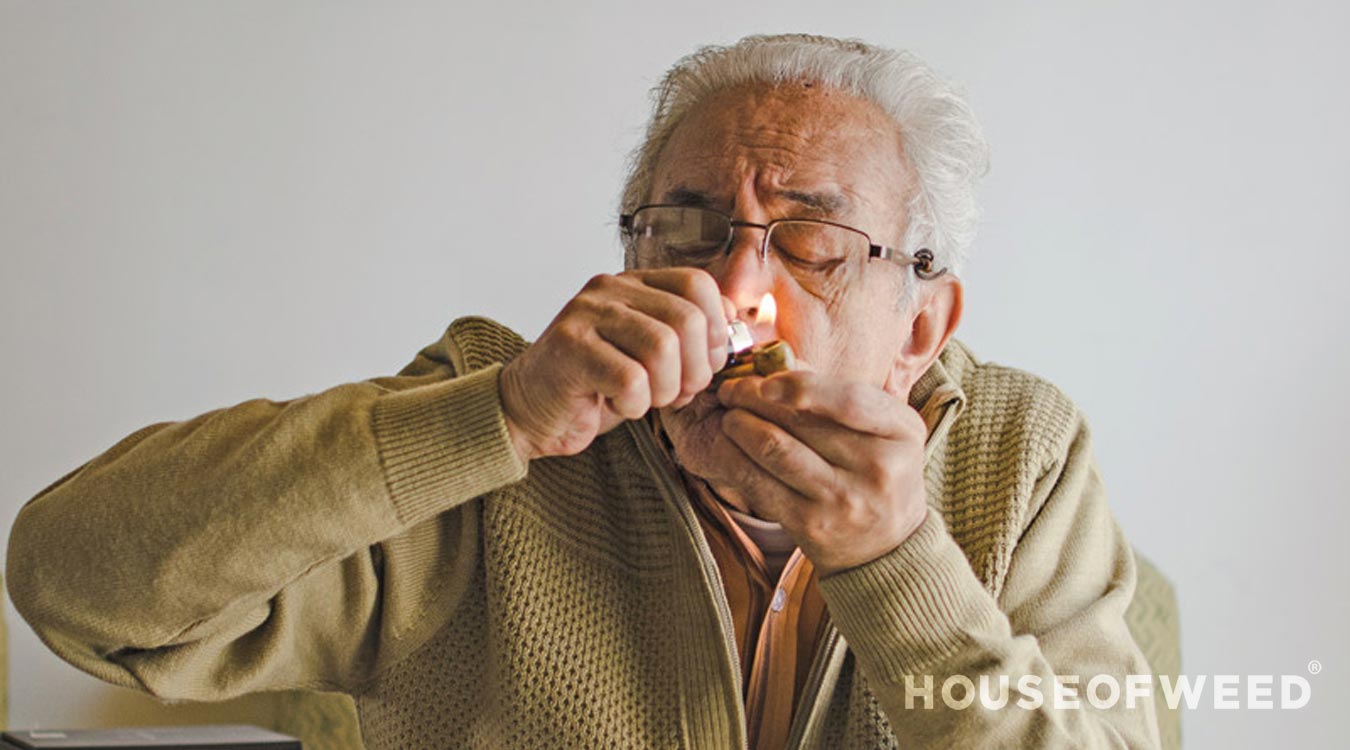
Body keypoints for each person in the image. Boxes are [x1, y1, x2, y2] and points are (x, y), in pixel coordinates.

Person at [7, 34, 1161, 749]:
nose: (737, 288)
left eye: (814, 241)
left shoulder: (1017, 453)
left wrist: (897, 561)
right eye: (688, 228)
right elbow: (75, 589)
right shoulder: (492, 420)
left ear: (920, 325)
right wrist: (495, 419)